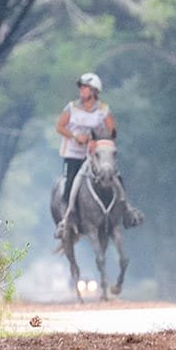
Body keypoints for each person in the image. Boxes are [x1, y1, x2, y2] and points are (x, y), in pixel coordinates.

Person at [54, 72, 143, 237]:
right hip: (74, 155)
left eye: (85, 87)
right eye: (81, 87)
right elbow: (59, 127)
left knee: (116, 177)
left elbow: (112, 132)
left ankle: (127, 212)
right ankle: (66, 221)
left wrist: (100, 138)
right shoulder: (71, 108)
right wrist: (75, 137)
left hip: (96, 155)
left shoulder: (103, 110)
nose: (81, 90)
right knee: (69, 184)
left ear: (94, 91)